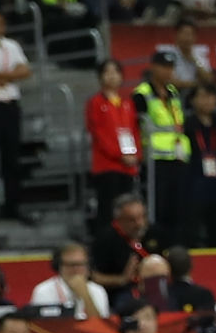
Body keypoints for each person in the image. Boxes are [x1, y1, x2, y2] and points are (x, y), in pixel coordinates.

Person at [131, 51, 187, 235]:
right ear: (153, 67)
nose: (168, 71)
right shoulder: (142, 94)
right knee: (158, 207)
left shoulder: (172, 92)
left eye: (171, 67)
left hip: (177, 156)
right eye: (164, 66)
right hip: (155, 157)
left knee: (176, 206)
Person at [85, 59, 139, 234]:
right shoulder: (96, 103)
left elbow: (133, 131)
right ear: (100, 77)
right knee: (108, 209)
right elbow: (99, 134)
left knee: (126, 209)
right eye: (107, 72)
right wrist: (118, 154)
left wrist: (135, 154)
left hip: (127, 166)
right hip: (107, 165)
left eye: (115, 72)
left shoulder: (127, 103)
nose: (112, 76)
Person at [181, 85, 216, 248]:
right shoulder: (188, 125)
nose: (207, 101)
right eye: (202, 96)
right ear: (193, 100)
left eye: (211, 96)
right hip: (195, 179)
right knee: (192, 225)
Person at [0, 13, 28, 223]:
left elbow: (25, 70)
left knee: (12, 159)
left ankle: (12, 206)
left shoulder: (11, 46)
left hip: (10, 106)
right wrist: (9, 75)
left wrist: (1, 77)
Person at [28, 242, 107, 318]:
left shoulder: (97, 290)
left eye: (80, 264)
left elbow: (101, 328)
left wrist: (86, 296)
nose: (76, 270)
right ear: (59, 266)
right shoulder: (43, 290)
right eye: (70, 265)